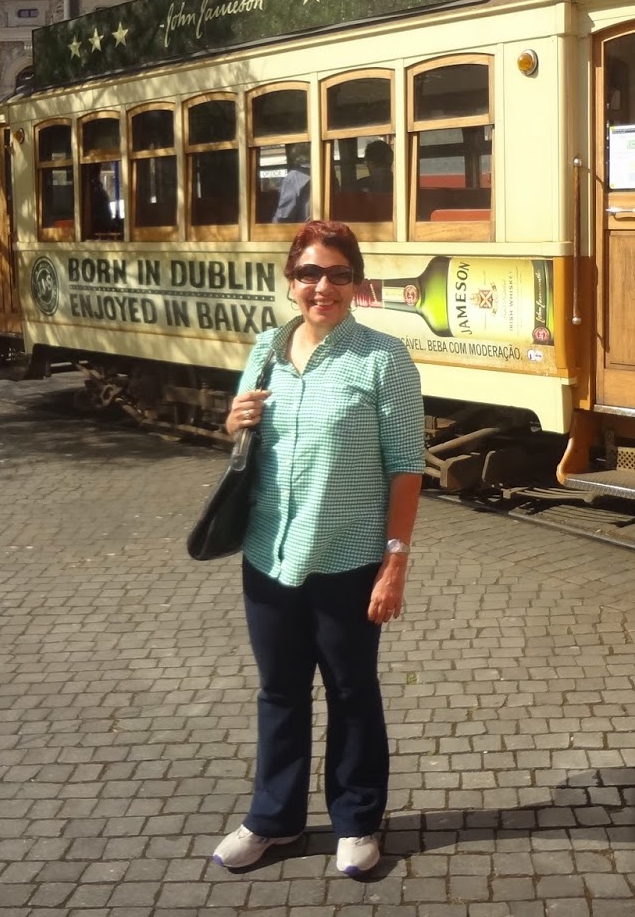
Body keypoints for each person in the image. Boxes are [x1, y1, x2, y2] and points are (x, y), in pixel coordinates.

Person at [211, 220, 425, 878]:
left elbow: (407, 468)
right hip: (268, 554)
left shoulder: (382, 359)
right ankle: (273, 819)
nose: (322, 286)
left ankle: (357, 820)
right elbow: (248, 444)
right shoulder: (266, 349)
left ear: (356, 283)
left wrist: (394, 563)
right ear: (291, 280)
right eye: (309, 272)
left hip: (348, 558)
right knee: (279, 692)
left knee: (352, 692)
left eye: (337, 273)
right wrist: (232, 422)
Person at [272, 144, 311, 223]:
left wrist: (273, 226)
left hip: (302, 227)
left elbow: (284, 214)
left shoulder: (293, 177)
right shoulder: (322, 173)